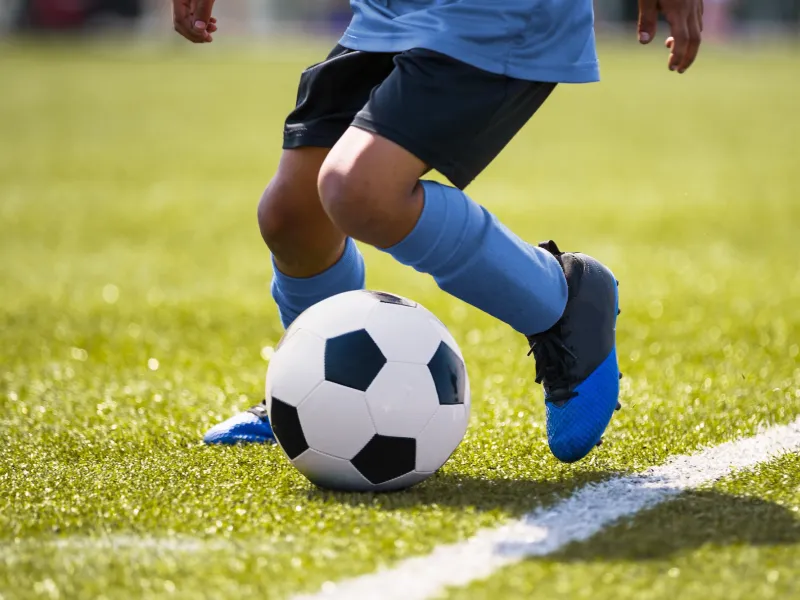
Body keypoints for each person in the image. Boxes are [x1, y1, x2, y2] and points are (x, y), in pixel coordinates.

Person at [173, 0, 703, 463]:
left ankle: (561, 300)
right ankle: (310, 392)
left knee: (358, 190)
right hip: (390, 13)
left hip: (498, 13)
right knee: (291, 215)